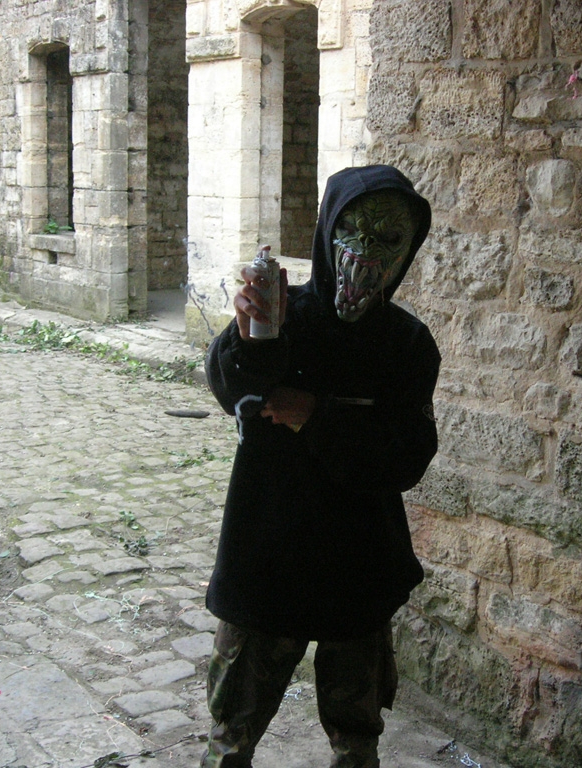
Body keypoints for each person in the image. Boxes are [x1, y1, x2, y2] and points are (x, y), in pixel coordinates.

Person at [200, 165, 441, 768]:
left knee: (357, 739)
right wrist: (246, 338)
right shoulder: (285, 316)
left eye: (388, 238)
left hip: (358, 563)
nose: (365, 253)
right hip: (267, 553)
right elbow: (234, 390)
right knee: (232, 733)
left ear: (409, 248)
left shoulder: (407, 345)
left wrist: (314, 414)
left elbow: (406, 455)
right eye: (352, 231)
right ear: (328, 229)